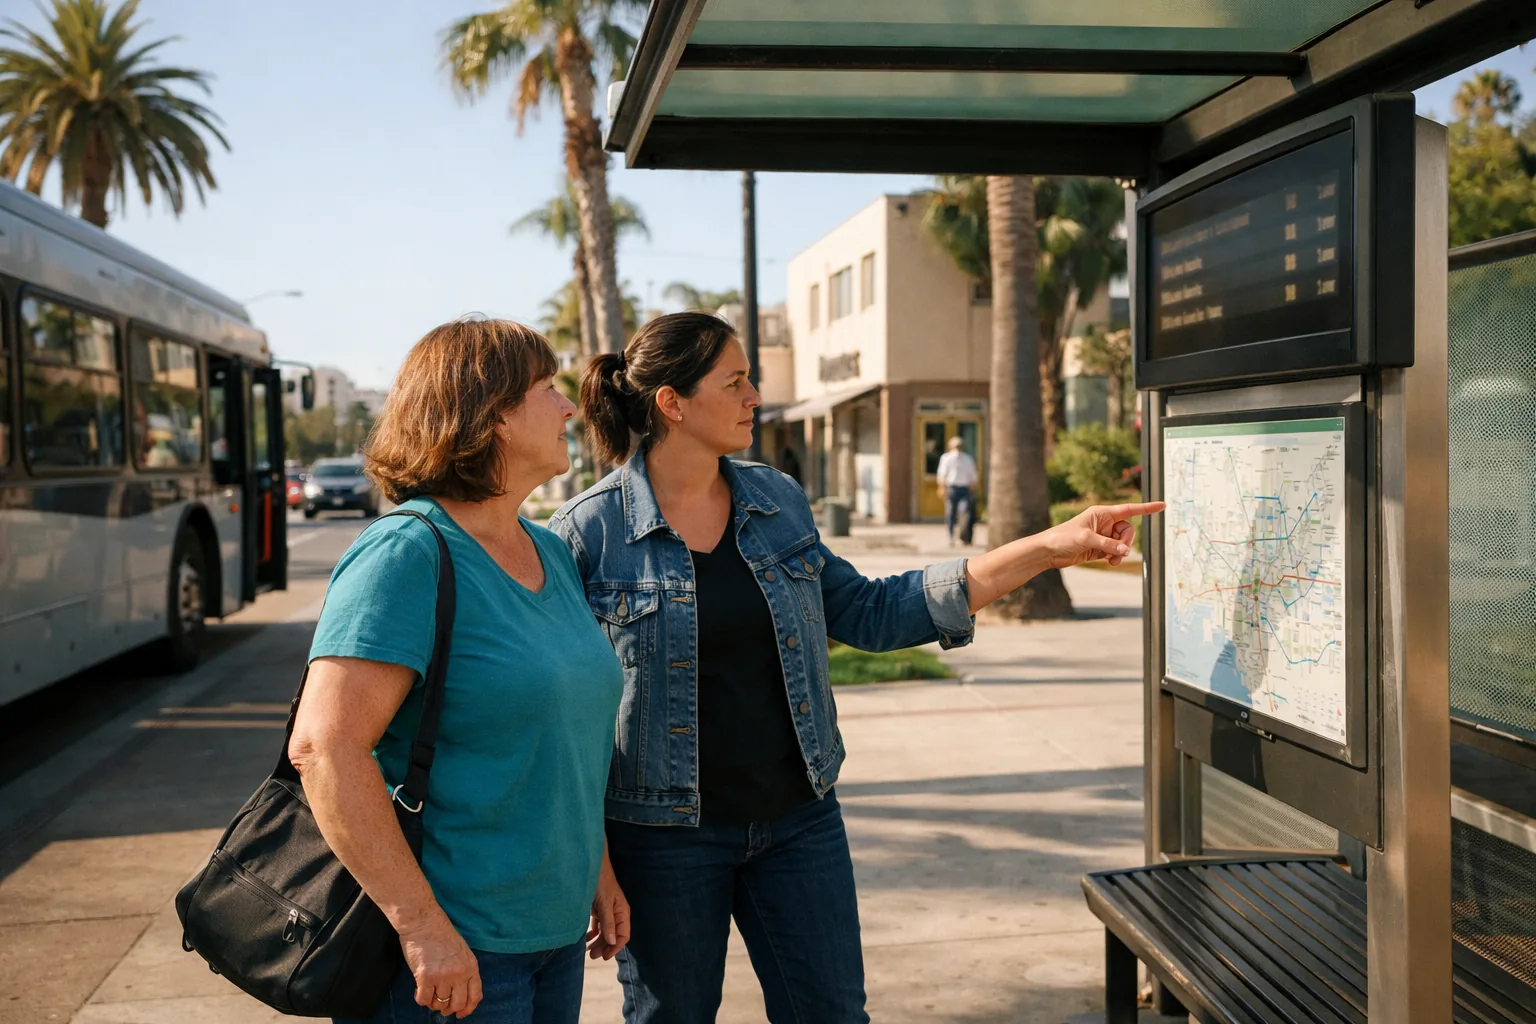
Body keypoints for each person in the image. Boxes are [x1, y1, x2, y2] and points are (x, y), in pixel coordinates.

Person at [548, 311, 1161, 1024]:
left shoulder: (775, 501)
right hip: (662, 840)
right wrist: (595, 862)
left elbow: (871, 611)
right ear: (672, 403)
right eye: (736, 381)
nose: (755, 397)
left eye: (753, 380)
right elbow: (568, 716)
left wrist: (1050, 548)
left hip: (799, 822)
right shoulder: (587, 534)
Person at [287, 318, 628, 1024]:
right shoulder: (407, 553)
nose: (569, 408)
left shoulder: (550, 551)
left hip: (555, 935)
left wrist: (594, 867)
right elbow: (325, 748)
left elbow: (562, 732)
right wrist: (421, 928)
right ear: (492, 415)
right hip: (455, 951)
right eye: (548, 389)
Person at [936, 435, 979, 546]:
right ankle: (951, 536)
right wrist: (941, 487)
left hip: (964, 488)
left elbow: (973, 475)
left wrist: (973, 486)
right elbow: (942, 474)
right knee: (951, 513)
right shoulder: (947, 458)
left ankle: (963, 536)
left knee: (964, 513)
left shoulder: (967, 459)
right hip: (952, 488)